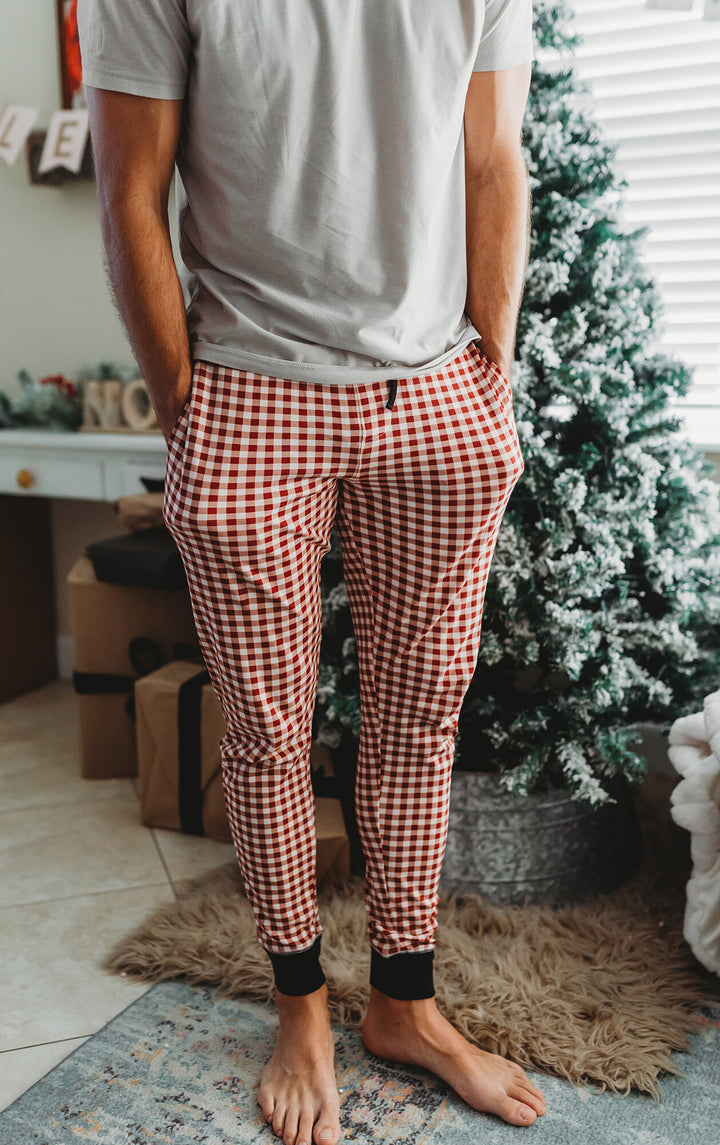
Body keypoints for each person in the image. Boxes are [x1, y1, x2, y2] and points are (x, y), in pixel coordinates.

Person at [78, 2, 546, 1142]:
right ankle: (302, 1005)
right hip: (247, 393)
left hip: (437, 394)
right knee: (267, 729)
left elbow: (491, 160)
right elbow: (130, 188)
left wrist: (494, 368)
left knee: (416, 722)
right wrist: (191, 409)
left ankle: (404, 1001)